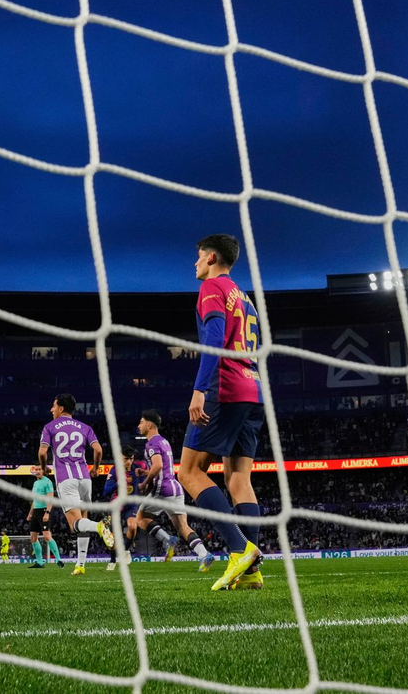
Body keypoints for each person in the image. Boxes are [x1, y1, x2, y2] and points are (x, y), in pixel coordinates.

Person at [175, 235, 264, 592]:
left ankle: (239, 549)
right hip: (253, 389)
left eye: (198, 256)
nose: (194, 263)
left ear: (211, 257)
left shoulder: (212, 287)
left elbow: (213, 340)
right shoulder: (244, 296)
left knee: (189, 471)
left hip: (224, 388)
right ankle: (251, 572)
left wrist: (200, 390)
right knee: (239, 478)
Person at [38, 394, 112, 576]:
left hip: (66, 479)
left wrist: (44, 468)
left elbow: (42, 453)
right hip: (85, 479)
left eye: (53, 406)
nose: (51, 410)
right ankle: (80, 565)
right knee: (82, 521)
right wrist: (95, 468)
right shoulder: (85, 427)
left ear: (61, 408)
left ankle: (99, 526)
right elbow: (98, 449)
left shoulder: (49, 427)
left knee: (76, 524)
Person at [135, 411, 212, 572]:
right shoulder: (163, 441)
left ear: (149, 425)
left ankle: (167, 540)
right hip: (175, 488)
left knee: (140, 519)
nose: (139, 425)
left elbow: (158, 466)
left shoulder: (151, 443)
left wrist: (145, 483)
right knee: (183, 526)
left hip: (162, 489)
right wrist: (146, 472)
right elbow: (162, 466)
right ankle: (204, 554)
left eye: (141, 422)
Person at [103, 445, 145, 570]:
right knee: (114, 536)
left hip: (131, 505)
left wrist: (145, 479)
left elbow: (151, 472)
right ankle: (112, 560)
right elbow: (106, 491)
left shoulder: (138, 468)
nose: (129, 462)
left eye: (131, 459)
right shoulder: (114, 470)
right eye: (126, 459)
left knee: (133, 526)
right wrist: (118, 483)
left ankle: (125, 550)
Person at [26, 464, 62, 568]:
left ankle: (59, 559)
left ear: (44, 471)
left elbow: (50, 499)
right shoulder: (35, 483)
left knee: (47, 536)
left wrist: (47, 513)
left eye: (39, 469)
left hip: (44, 511)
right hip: (36, 512)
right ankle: (40, 562)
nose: (37, 471)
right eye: (36, 469)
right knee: (33, 538)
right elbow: (34, 500)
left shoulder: (47, 482)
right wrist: (30, 513)